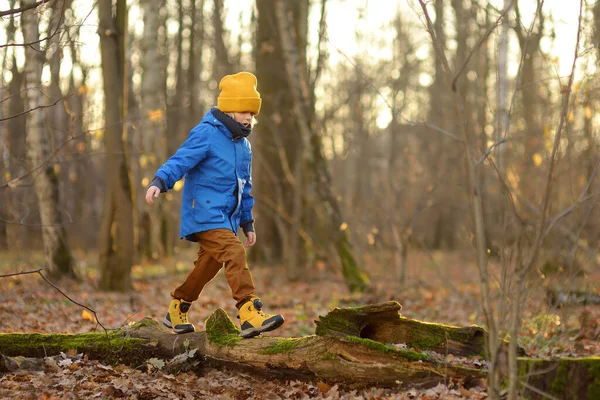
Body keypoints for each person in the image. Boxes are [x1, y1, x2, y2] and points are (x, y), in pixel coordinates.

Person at [145, 71, 284, 338]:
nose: (248, 117)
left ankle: (177, 307)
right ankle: (248, 311)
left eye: (252, 113)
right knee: (234, 253)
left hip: (227, 218)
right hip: (204, 213)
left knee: (207, 267)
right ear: (229, 108)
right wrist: (160, 181)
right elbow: (181, 160)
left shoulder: (244, 146)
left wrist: (247, 222)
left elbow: (245, 188)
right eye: (244, 110)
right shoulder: (206, 133)